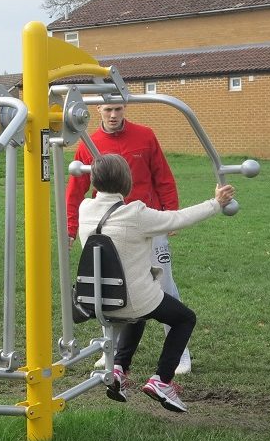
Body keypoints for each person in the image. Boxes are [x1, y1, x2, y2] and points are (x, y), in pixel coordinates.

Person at [78, 154, 233, 413]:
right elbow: (178, 218)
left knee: (138, 314)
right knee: (184, 318)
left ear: (94, 180)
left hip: (97, 300)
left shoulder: (85, 209)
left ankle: (118, 368)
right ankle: (162, 380)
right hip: (132, 299)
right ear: (126, 181)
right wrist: (216, 203)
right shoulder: (136, 213)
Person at [65, 103, 193, 375]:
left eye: (118, 109)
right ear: (98, 108)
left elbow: (163, 176)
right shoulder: (88, 143)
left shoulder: (145, 135)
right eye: (108, 109)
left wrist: (170, 211)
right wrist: (70, 229)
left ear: (125, 108)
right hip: (111, 229)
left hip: (148, 223)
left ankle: (181, 354)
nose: (113, 115)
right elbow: (76, 190)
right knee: (108, 287)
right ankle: (109, 351)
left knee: (164, 285)